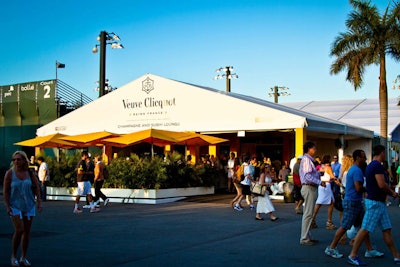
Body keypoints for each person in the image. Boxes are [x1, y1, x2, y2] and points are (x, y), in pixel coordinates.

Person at [325, 149, 384, 259]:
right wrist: (369, 189)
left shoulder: (354, 169)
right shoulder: (356, 171)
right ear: (357, 158)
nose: (365, 159)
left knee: (364, 226)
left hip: (355, 201)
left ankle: (369, 249)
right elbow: (358, 187)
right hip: (352, 202)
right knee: (345, 226)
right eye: (363, 157)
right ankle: (331, 247)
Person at [347, 145, 400, 266]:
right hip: (375, 202)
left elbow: (377, 184)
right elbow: (381, 184)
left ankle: (396, 255)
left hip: (378, 202)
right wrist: (392, 193)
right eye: (384, 153)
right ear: (382, 152)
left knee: (386, 229)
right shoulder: (376, 166)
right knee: (365, 228)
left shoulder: (372, 166)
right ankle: (352, 255)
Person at [3, 151, 42, 267]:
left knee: (27, 232)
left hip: (29, 204)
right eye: (14, 159)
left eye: (18, 159)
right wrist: (7, 206)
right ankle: (13, 256)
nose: (16, 161)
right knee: (19, 229)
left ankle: (23, 257)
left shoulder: (29, 173)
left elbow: (37, 188)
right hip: (15, 205)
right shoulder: (10, 174)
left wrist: (39, 203)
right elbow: (5, 191)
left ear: (24, 160)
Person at [299, 141, 327, 246]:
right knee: (308, 214)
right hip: (309, 187)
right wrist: (319, 181)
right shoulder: (307, 160)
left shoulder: (308, 160)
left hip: (310, 187)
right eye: (314, 149)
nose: (315, 150)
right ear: (309, 149)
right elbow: (307, 176)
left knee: (308, 213)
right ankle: (304, 238)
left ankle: (307, 236)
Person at [310, 155, 338, 230]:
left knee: (319, 203)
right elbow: (332, 177)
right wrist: (336, 180)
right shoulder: (328, 168)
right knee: (331, 202)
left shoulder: (319, 167)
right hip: (327, 186)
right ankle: (329, 221)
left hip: (321, 185)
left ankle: (312, 219)